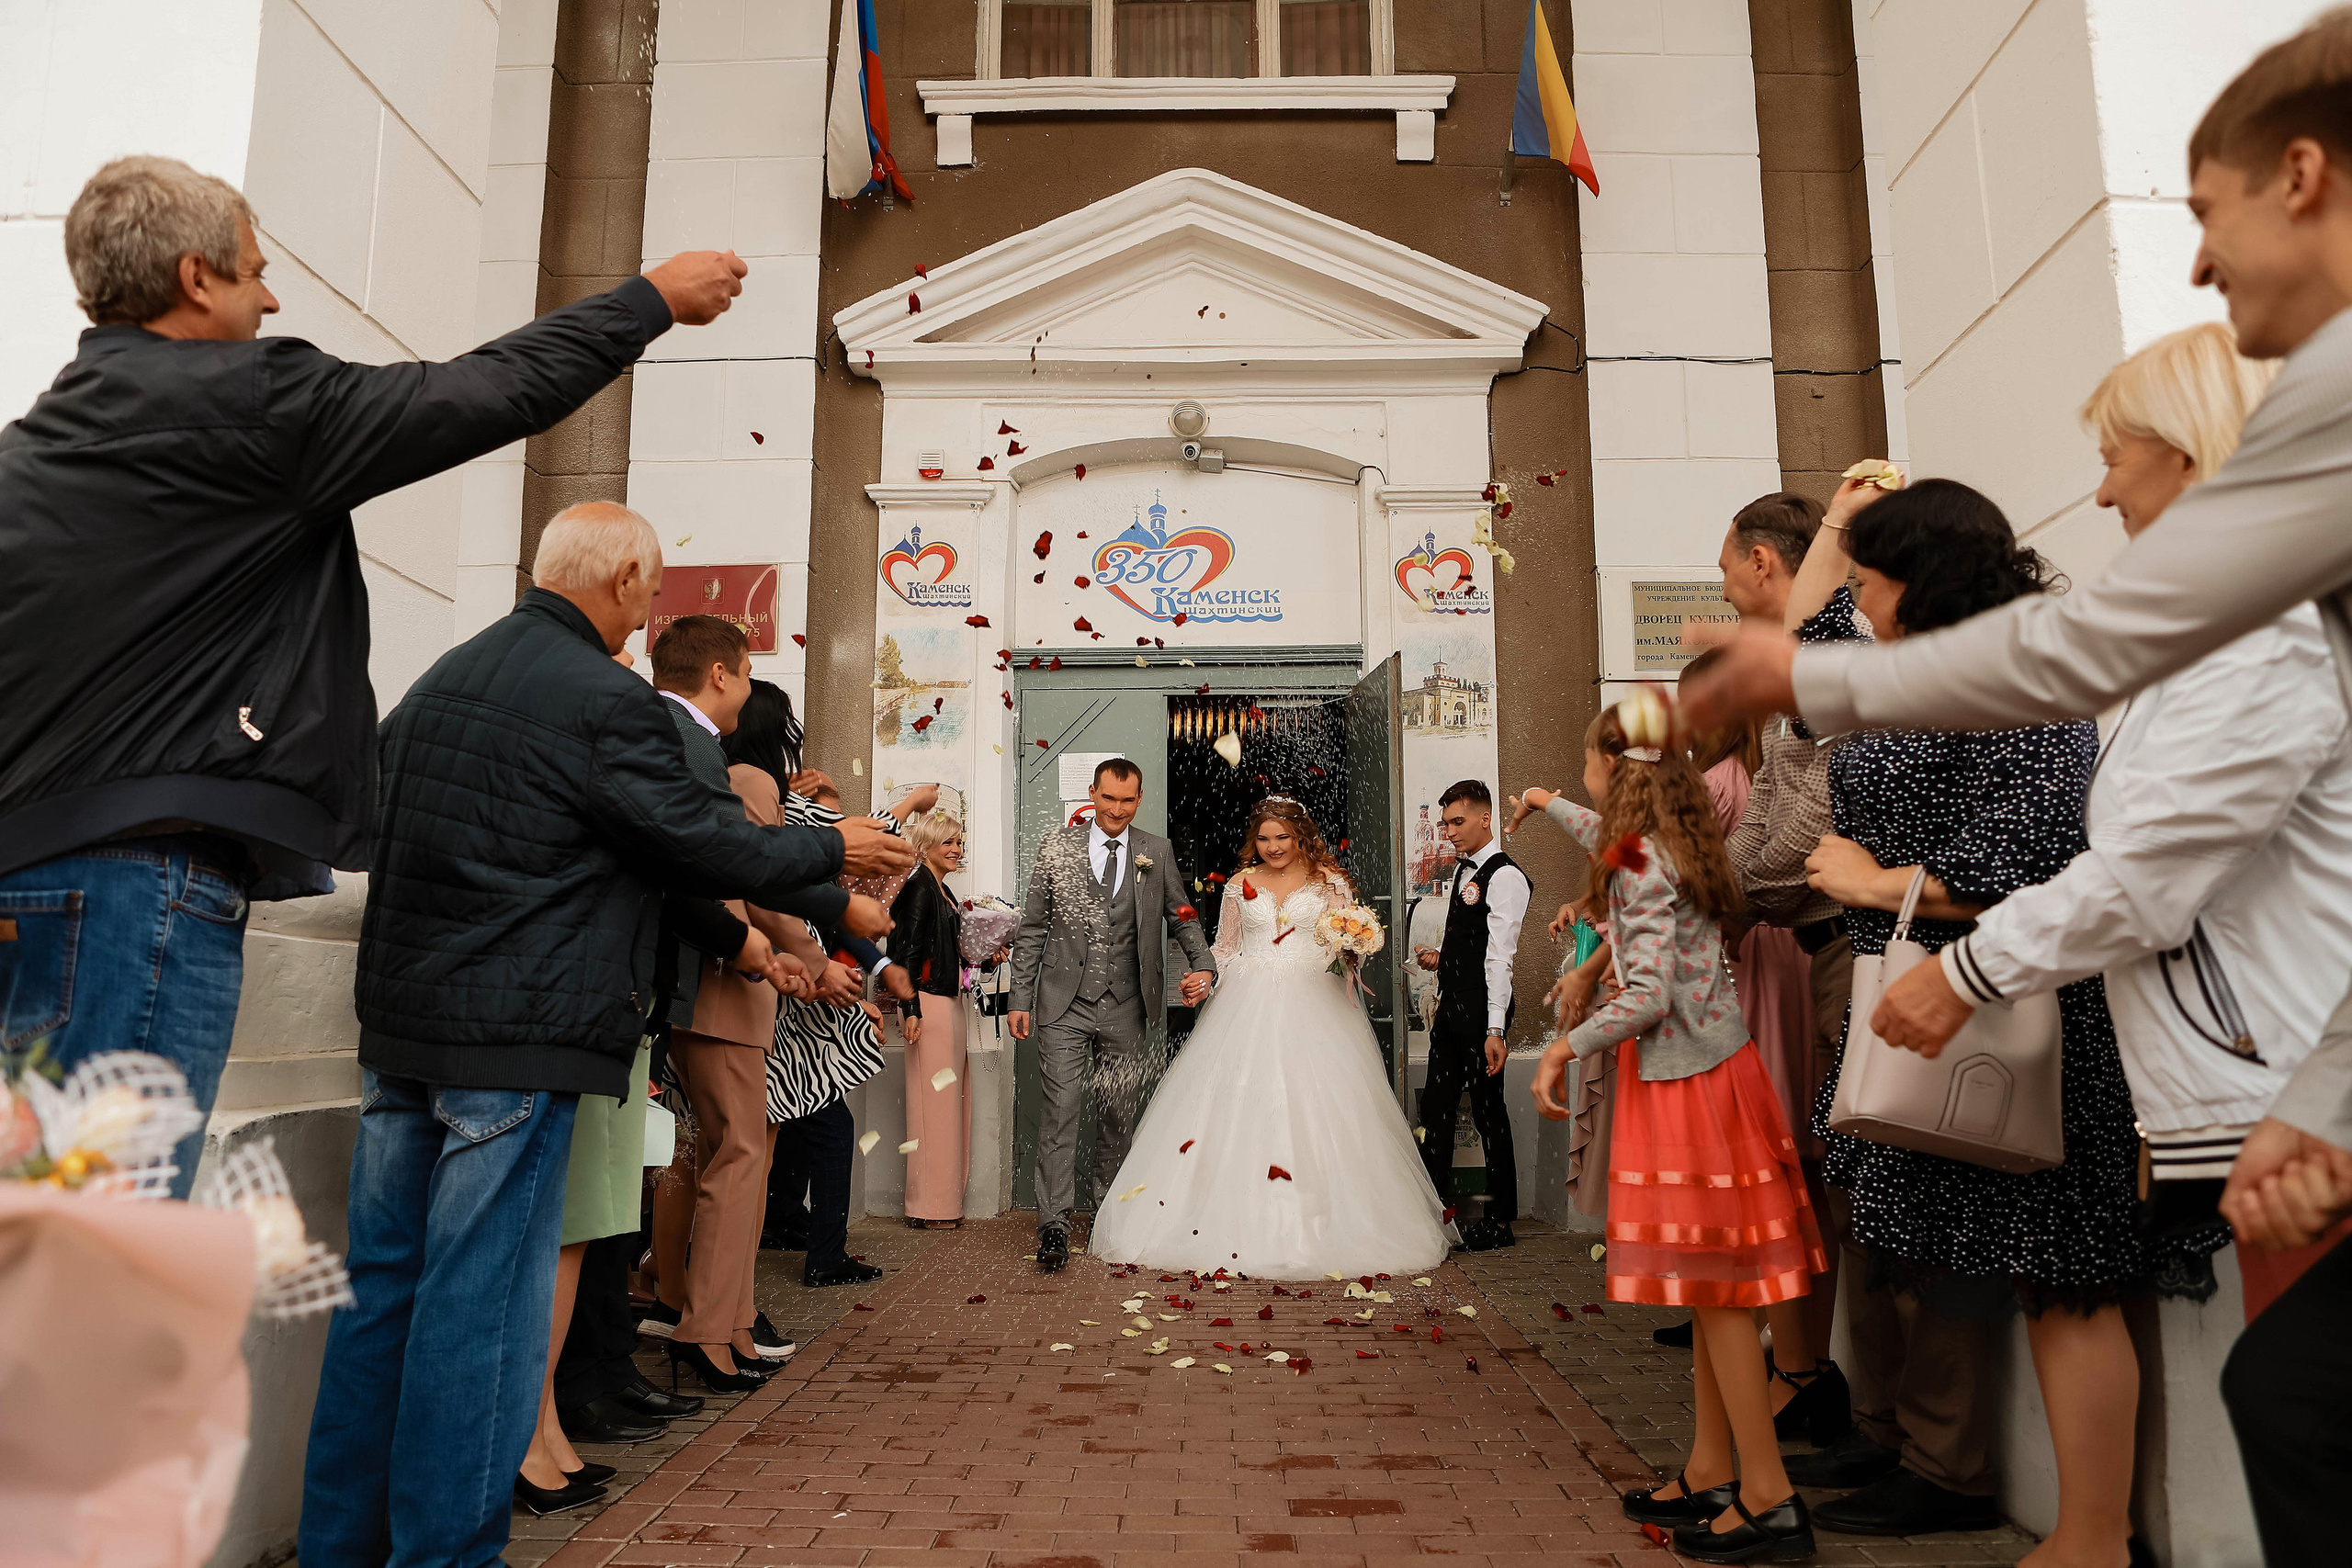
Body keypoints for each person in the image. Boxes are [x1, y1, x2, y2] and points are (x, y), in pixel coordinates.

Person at [1671, 10, 2352, 1263]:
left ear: (2303, 178)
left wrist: (1966, 962)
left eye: (2204, 209)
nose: (2195, 261)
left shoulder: (2295, 503)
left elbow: (2135, 827)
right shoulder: (2306, 444)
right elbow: (2081, 647)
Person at [0, 155, 748, 1200]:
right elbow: (491, 391)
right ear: (194, 278)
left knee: (44, 1218)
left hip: (29, 875)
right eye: (255, 272)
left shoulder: (33, 447)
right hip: (145, 886)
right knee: (104, 1240)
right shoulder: (255, 408)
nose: (270, 296)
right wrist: (650, 299)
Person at [299, 503, 913, 1568]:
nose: (651, 602)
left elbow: (373, 823)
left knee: (381, 1299)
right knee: (479, 1313)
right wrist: (833, 879)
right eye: (653, 582)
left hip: (403, 1030)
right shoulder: (601, 699)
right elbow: (700, 840)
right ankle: (445, 1554)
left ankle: (340, 1549)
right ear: (627, 580)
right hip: (518, 1038)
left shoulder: (443, 678)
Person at [1868, 326, 2334, 1314]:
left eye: (2114, 461)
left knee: (2299, 1403)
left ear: (2190, 455)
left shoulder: (2259, 625)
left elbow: (2150, 869)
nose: (2103, 495)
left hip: (2292, 1088)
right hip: (2267, 1089)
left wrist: (1967, 971)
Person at [1792, 477, 2162, 1562]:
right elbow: (1807, 639)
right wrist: (1836, 520)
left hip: (2014, 1008)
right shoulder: (1911, 666)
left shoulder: (2024, 673)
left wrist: (1872, 886)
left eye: (1869, 576)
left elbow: (2049, 857)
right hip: (1917, 995)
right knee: (1958, 1264)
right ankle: (2031, 1509)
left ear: (1922, 577)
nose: (1854, 598)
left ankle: (2092, 1533)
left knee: (2066, 1277)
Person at [1515, 711, 1826, 1566]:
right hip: (1715, 1078)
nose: (1579, 772)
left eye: (1582, 758)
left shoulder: (1644, 860)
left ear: (1615, 766)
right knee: (1709, 1293)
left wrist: (1564, 1050)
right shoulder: (1664, 838)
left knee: (1721, 1298)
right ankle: (1713, 1470)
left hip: (1691, 1089)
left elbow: (1647, 994)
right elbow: (1599, 834)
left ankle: (1768, 1499)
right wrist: (1546, 801)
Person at [1091, 796, 1451, 1278]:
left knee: (1319, 1106)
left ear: (1301, 835)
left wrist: (1355, 947)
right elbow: (1224, 947)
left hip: (1316, 1002)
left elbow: (1349, 947)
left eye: (1282, 836)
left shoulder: (1331, 883)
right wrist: (1206, 976)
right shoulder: (1240, 884)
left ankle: (1326, 1222)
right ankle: (1226, 1219)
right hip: (1247, 999)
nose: (1273, 846)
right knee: (1240, 1103)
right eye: (1263, 838)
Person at [650, 617, 826, 1393]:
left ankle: (727, 1323)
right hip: (727, 988)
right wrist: (819, 955)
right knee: (740, 1157)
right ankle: (706, 1331)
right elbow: (763, 882)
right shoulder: (748, 779)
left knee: (727, 1156)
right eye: (749, 673)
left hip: (707, 986)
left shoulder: (707, 767)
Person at [1008, 759, 1218, 1273]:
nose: (1117, 811)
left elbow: (1181, 914)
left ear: (1140, 799)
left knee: (1119, 1112)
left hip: (1128, 1004)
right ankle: (1054, 1224)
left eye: (1127, 801)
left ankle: (1108, 1213)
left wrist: (1205, 963)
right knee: (1060, 1112)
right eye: (1108, 799)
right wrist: (1019, 997)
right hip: (1064, 1004)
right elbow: (1034, 926)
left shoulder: (1156, 850)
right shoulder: (1057, 847)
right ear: (1092, 794)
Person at [1410, 781, 1531, 1251]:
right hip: (1454, 1006)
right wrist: (1442, 958)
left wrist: (1495, 1028)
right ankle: (1436, 1210)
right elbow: (1474, 943)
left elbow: (1501, 958)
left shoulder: (1506, 876)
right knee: (1437, 1108)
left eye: (1457, 822)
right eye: (1444, 824)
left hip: (1484, 1010)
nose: (1449, 831)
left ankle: (1501, 1222)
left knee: (1488, 1113)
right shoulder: (1466, 871)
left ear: (1486, 818)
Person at [891, 814, 991, 1229]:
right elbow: (904, 954)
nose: (956, 849)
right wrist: (911, 1009)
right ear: (927, 843)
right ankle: (928, 1207)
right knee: (932, 1108)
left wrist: (982, 954)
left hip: (945, 1002)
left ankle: (939, 1203)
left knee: (948, 1105)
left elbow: (942, 948)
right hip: (927, 1004)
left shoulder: (941, 889)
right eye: (947, 842)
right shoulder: (918, 889)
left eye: (959, 842)